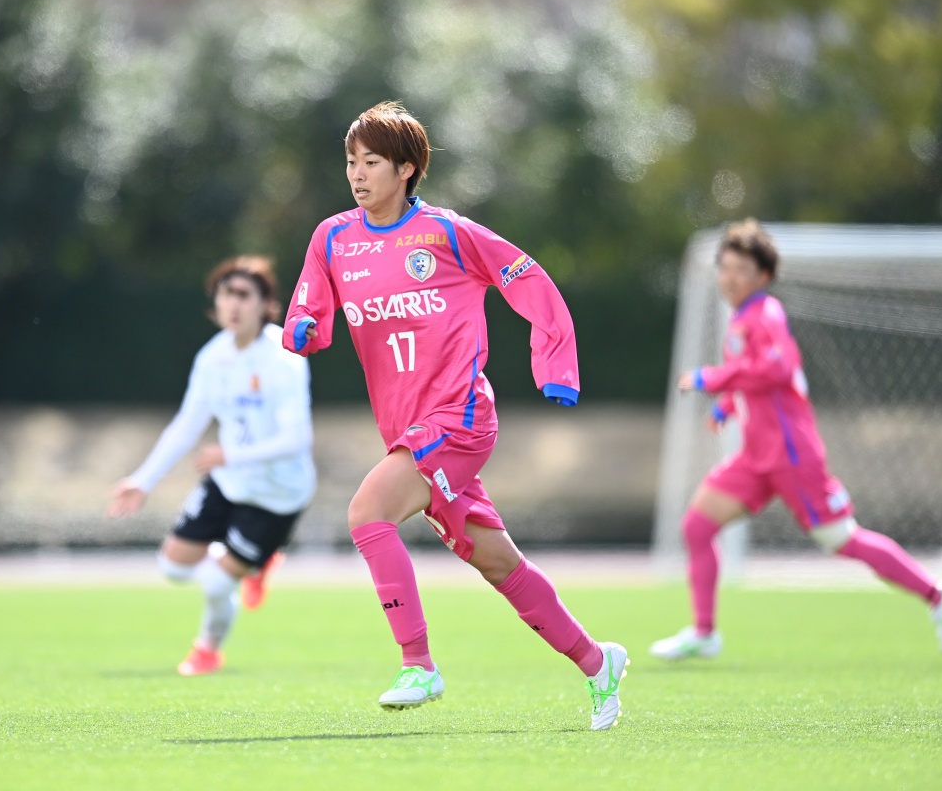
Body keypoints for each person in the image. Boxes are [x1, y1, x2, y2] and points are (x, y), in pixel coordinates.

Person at [282, 101, 628, 730]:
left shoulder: (447, 233)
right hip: (406, 432)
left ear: (406, 169)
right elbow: (309, 308)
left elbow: (527, 277)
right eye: (351, 161)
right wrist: (302, 328)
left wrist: (555, 363)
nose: (357, 173)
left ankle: (419, 664)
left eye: (372, 162)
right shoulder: (332, 238)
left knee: (367, 513)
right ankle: (597, 660)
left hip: (460, 419)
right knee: (497, 562)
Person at [650, 219, 942, 661]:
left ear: (763, 276)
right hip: (756, 458)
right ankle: (704, 633)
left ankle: (937, 594)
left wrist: (714, 378)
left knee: (842, 540)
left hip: (791, 455)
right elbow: (756, 380)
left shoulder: (766, 314)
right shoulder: (741, 319)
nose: (730, 278)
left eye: (741, 270)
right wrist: (727, 405)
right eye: (725, 268)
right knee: (697, 526)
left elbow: (776, 368)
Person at [108, 256, 316, 675]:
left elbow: (297, 439)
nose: (233, 304)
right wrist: (143, 480)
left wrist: (231, 455)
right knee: (172, 567)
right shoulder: (212, 357)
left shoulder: (284, 356)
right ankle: (254, 562)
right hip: (229, 480)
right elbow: (187, 424)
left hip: (278, 494)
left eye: (244, 295)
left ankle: (207, 649)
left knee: (220, 582)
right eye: (226, 294)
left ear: (265, 304)